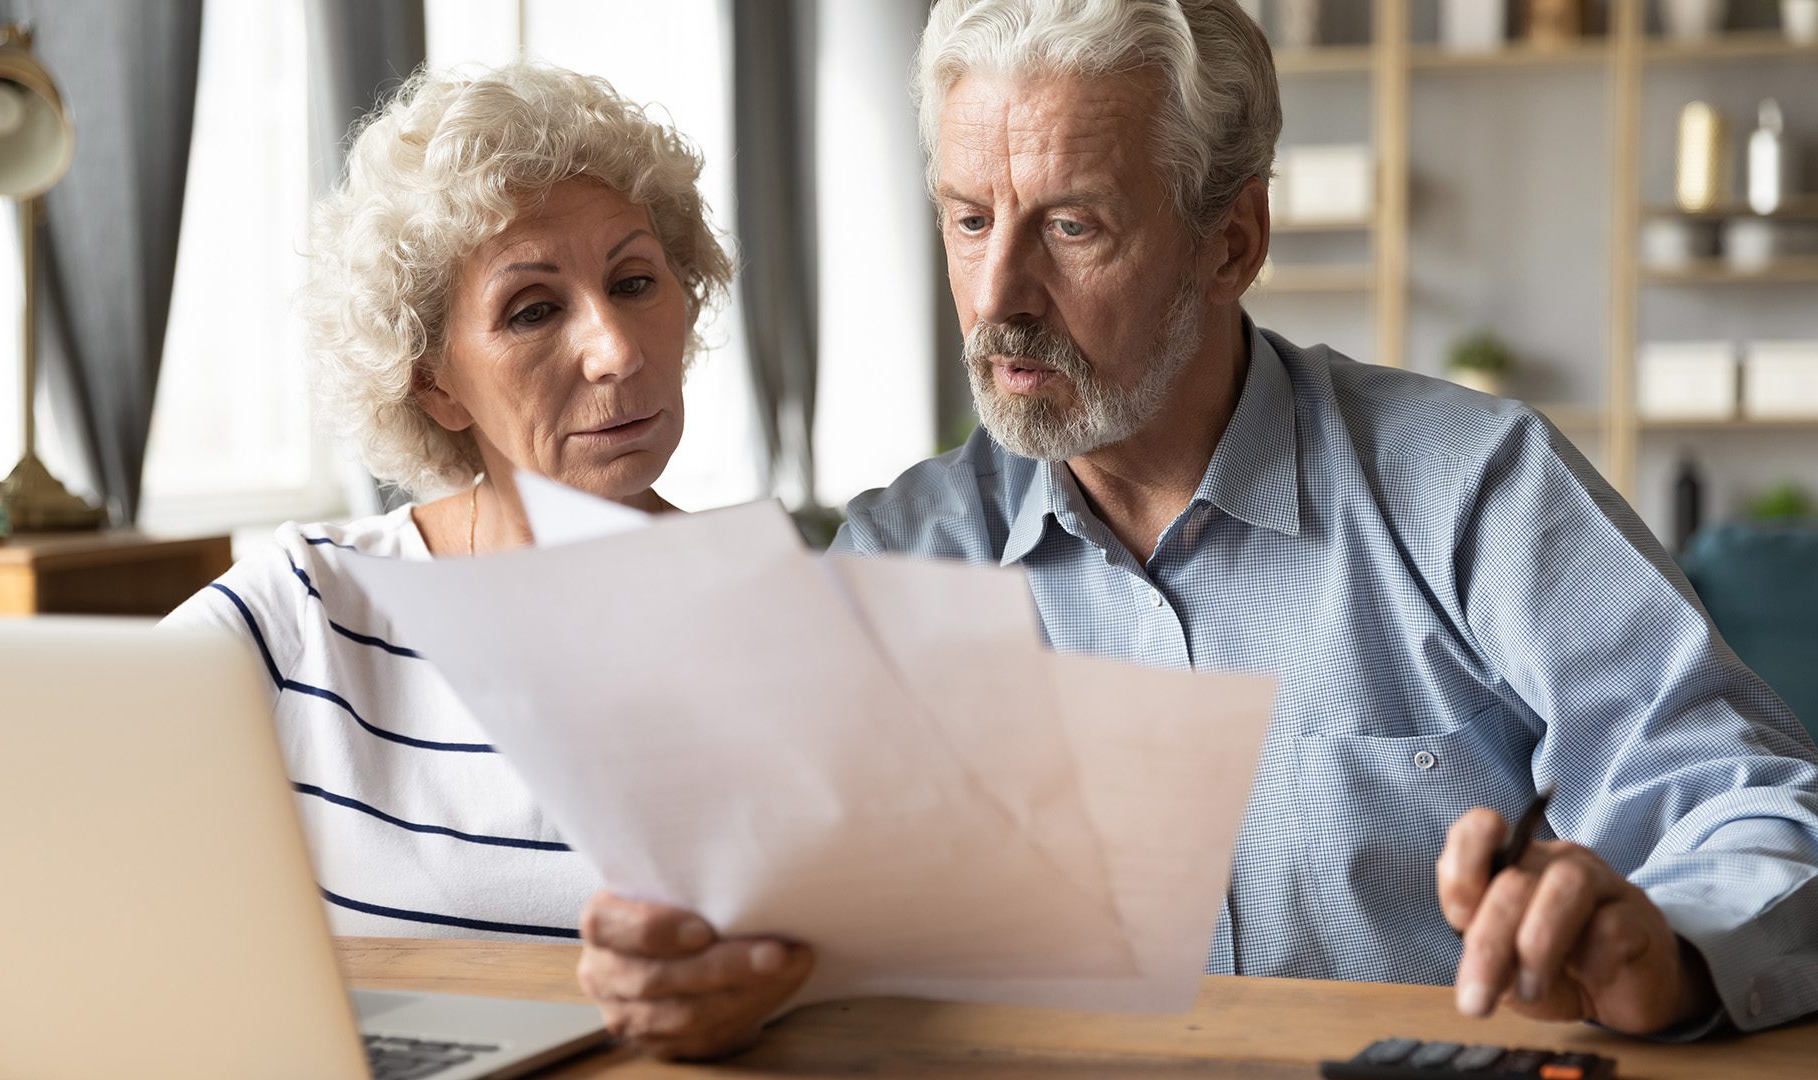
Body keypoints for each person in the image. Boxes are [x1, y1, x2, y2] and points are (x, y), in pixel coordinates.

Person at [576, 0, 1818, 1058]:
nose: (998, 297)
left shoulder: (1476, 490)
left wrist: (1667, 946)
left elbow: (1750, 804)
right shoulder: (902, 557)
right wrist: (712, 967)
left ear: (1233, 240)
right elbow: (781, 896)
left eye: (1071, 226)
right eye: (967, 219)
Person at [160, 61, 810, 1009]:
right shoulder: (308, 609)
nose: (618, 350)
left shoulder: (789, 615)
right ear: (433, 381)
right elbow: (41, 786)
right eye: (533, 309)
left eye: (636, 282)